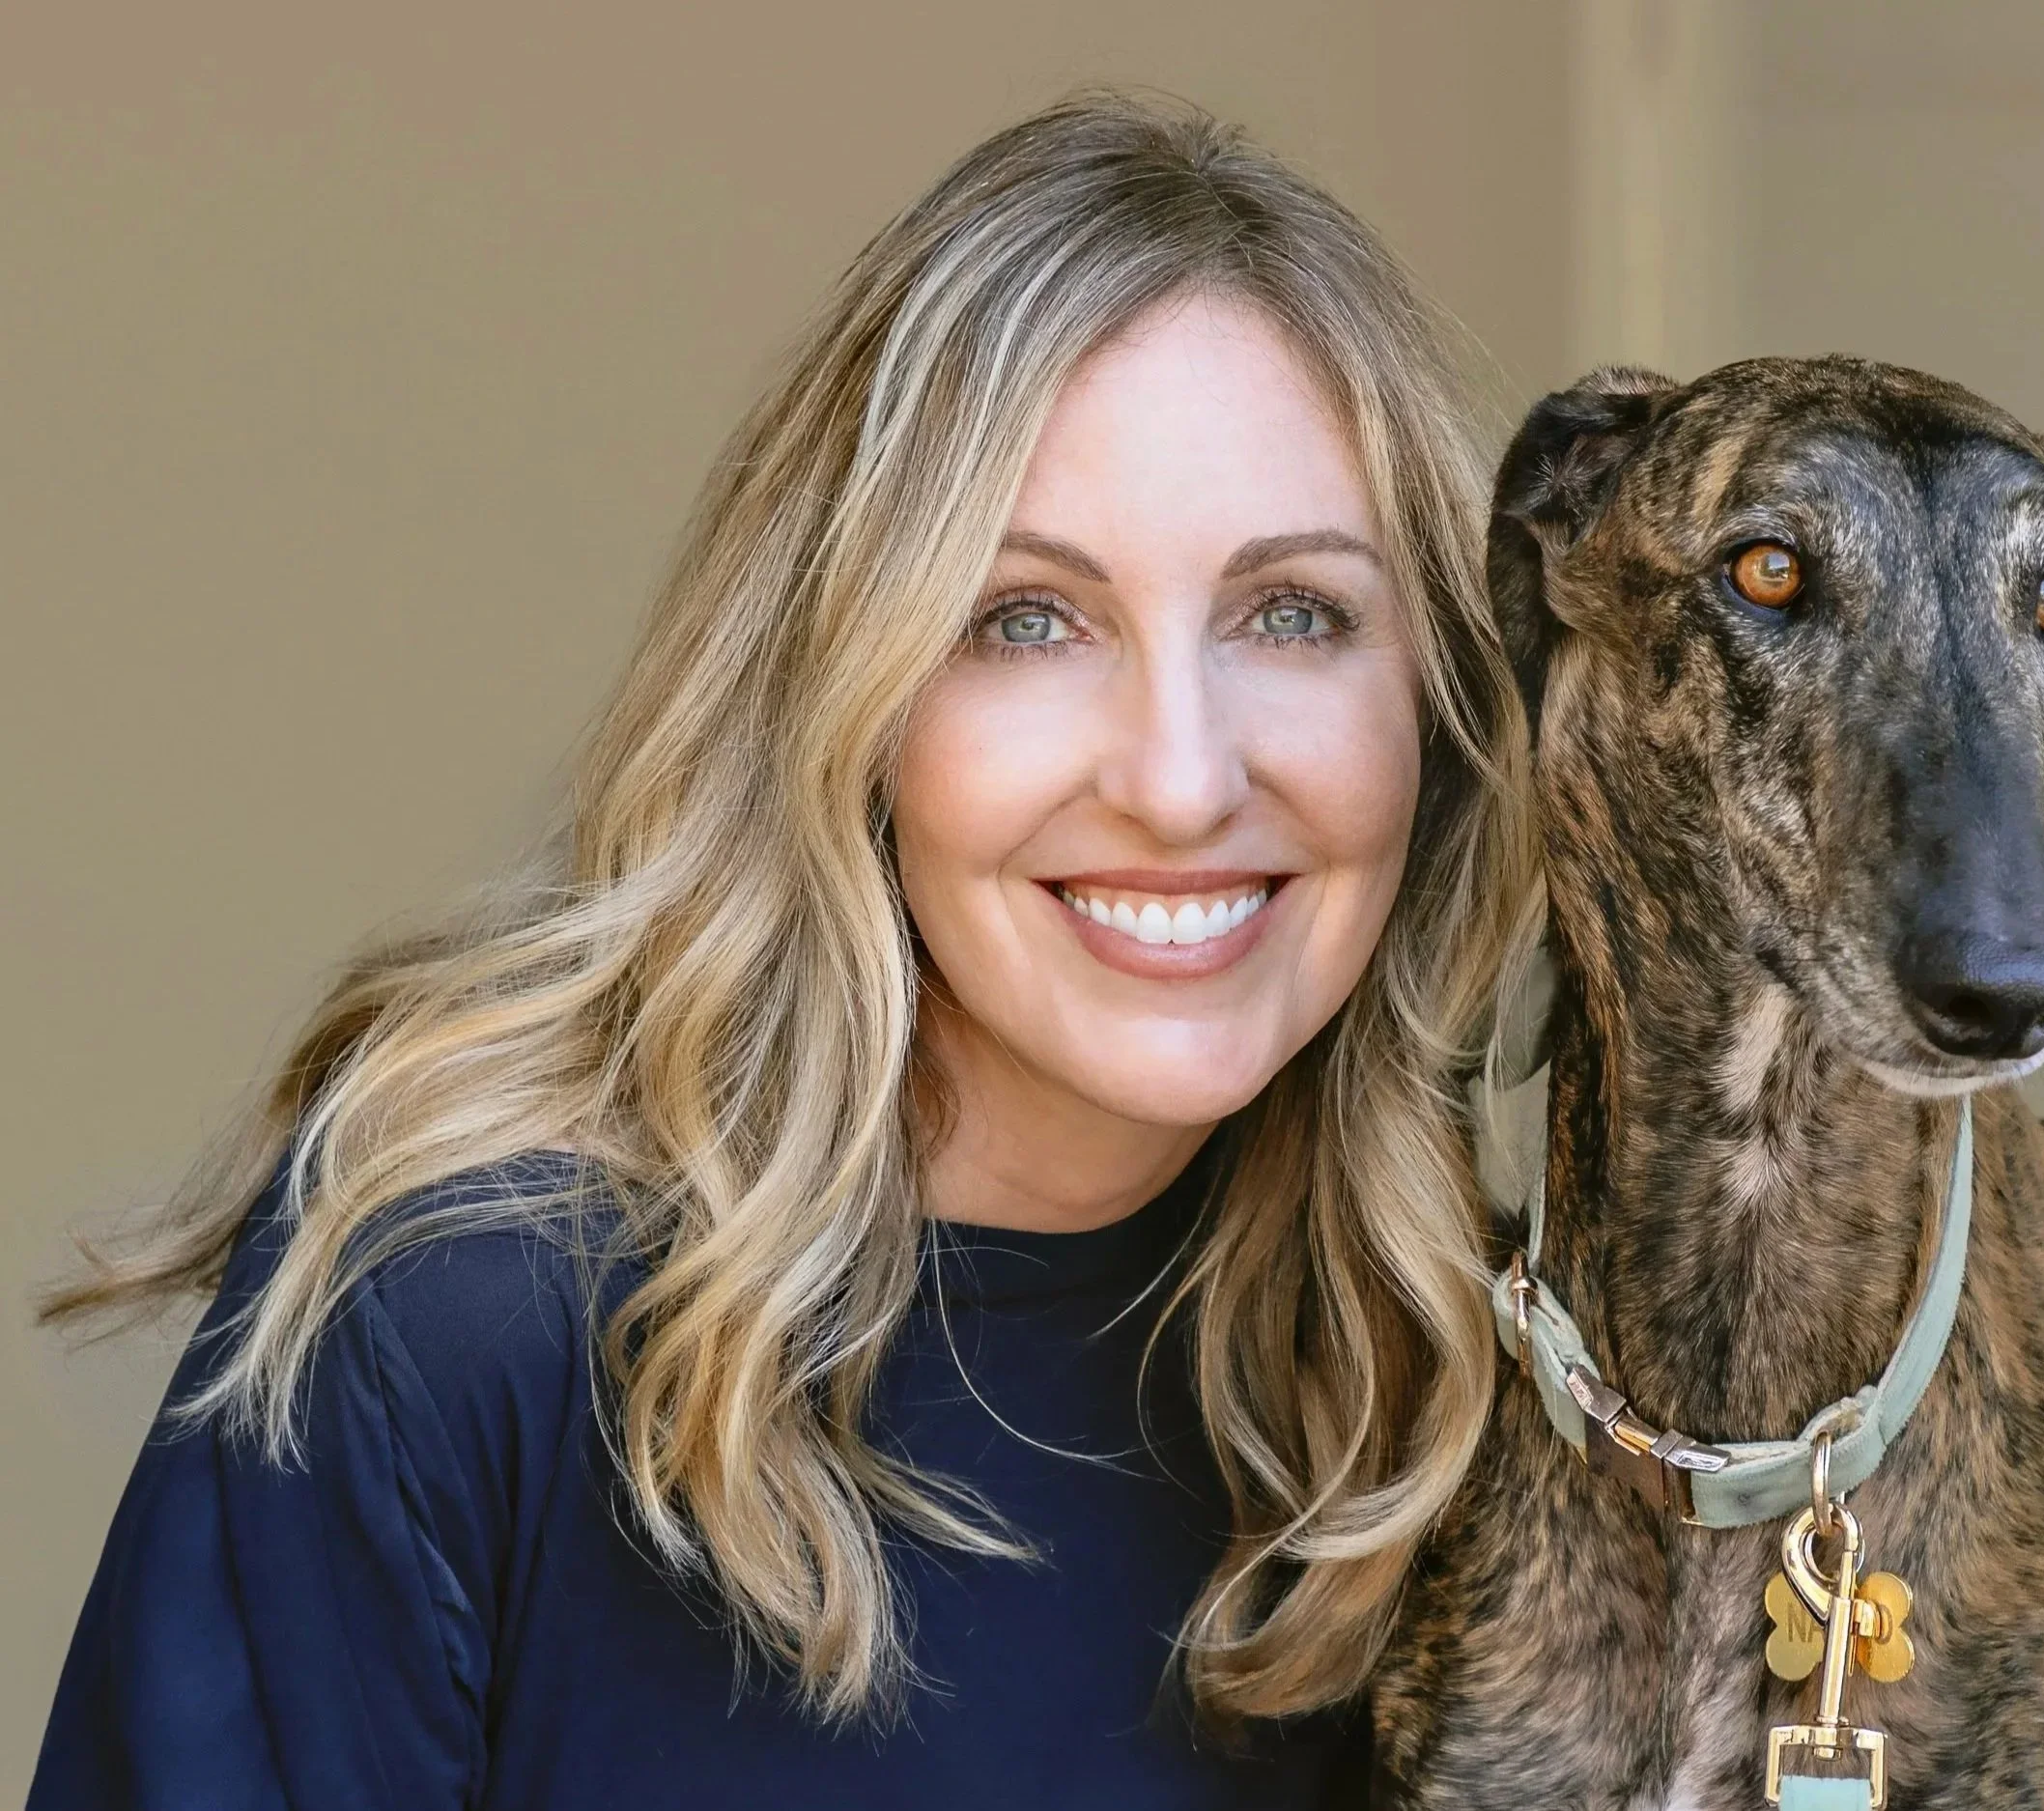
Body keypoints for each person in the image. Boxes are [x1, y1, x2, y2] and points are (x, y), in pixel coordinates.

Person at [30, 93, 1533, 1808]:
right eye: (1024, 618)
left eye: (1294, 613)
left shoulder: (1455, 1399)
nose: (1183, 778)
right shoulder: (458, 1321)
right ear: (848, 694)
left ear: (1440, 702)